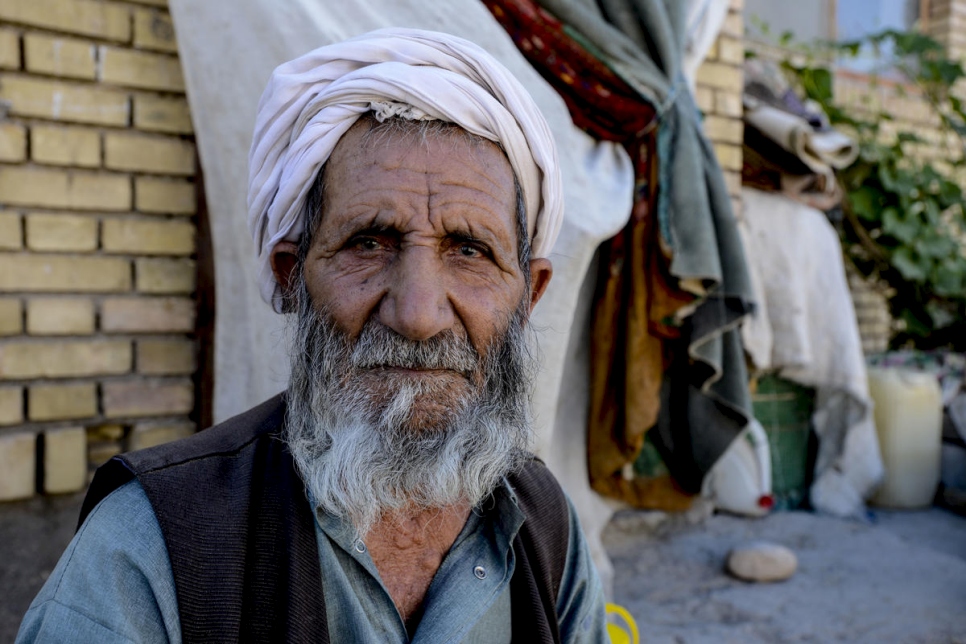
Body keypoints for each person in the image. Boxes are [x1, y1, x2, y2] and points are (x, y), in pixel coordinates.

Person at [17, 28, 606, 643]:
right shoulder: (148, 549)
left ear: (529, 295)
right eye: (369, 243)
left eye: (469, 250)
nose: (419, 315)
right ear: (291, 277)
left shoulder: (544, 526)